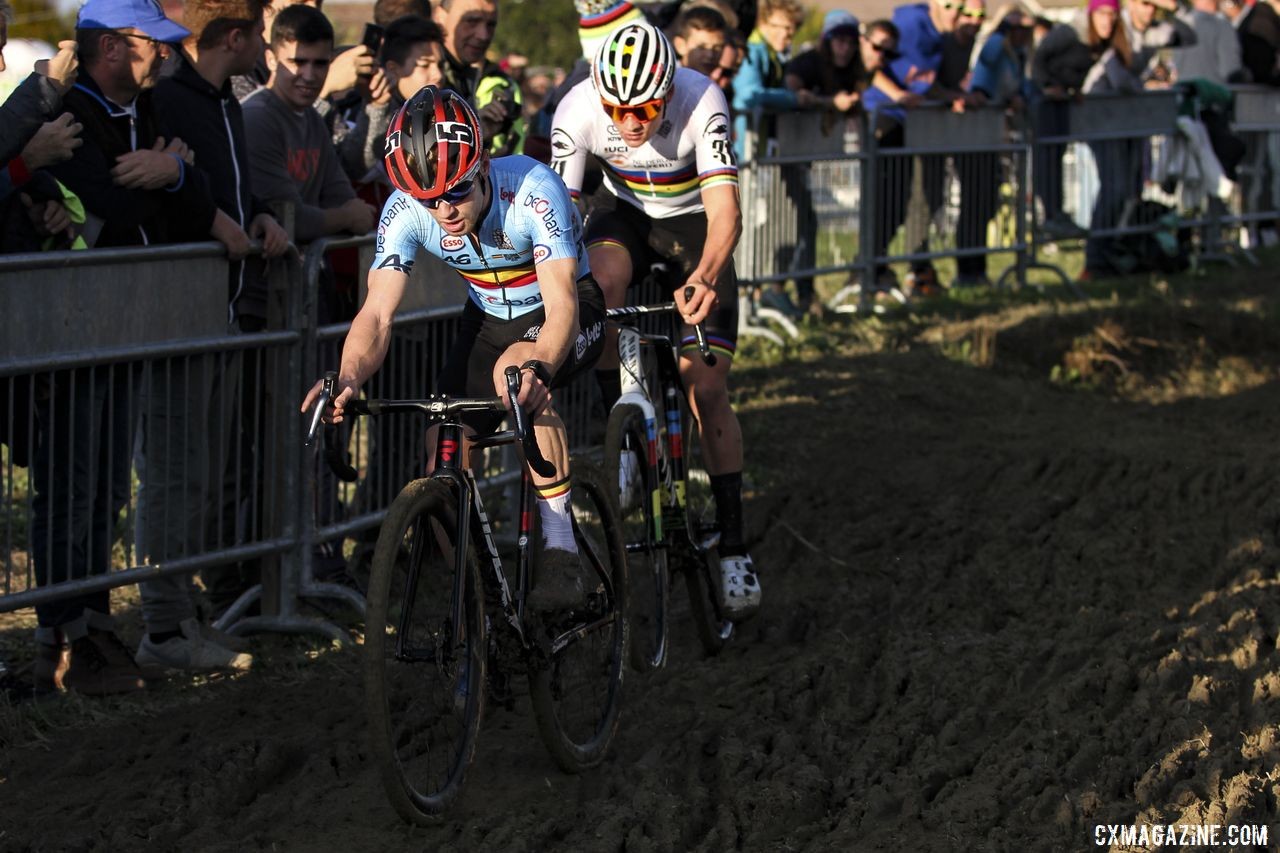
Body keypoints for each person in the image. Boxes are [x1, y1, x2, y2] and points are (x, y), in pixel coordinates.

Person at [303, 86, 607, 612]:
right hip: (488, 315)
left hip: (566, 309)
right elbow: (376, 312)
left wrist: (536, 364)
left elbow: (561, 307)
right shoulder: (405, 209)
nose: (443, 209)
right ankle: (483, 599)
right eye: (427, 199)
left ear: (484, 165)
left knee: (516, 378)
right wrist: (350, 374)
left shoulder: (534, 188)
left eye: (457, 192)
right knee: (441, 446)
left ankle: (560, 549)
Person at [551, 22, 762, 619]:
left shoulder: (703, 99)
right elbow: (562, 219)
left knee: (707, 386)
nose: (631, 121)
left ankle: (734, 547)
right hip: (627, 218)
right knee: (599, 284)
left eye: (645, 107)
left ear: (669, 91)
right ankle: (626, 417)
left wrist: (705, 275)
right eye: (618, 107)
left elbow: (726, 212)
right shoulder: (576, 108)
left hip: (695, 227)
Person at [136, 0, 289, 672]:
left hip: (223, 312)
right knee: (174, 474)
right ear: (237, 36)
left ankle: (186, 616)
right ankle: (164, 628)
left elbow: (230, 189)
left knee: (202, 473)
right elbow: (163, 196)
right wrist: (214, 218)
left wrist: (257, 217)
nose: (266, 44)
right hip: (174, 317)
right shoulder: (166, 100)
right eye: (261, 32)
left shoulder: (224, 101)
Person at [242, 3, 376, 243]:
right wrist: (345, 217)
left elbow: (347, 201)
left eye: (320, 63)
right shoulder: (257, 118)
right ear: (271, 59)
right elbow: (289, 219)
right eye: (298, 62)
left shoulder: (312, 117)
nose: (309, 75)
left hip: (305, 273)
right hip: (262, 275)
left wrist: (348, 214)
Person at [338, 13, 446, 184]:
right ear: (393, 69)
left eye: (440, 65)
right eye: (425, 65)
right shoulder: (361, 116)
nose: (438, 75)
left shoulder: (447, 111)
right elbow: (352, 168)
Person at [1172, 0, 1243, 85]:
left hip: (1184, 94)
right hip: (1214, 93)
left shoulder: (1179, 26)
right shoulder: (1222, 26)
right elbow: (1231, 71)